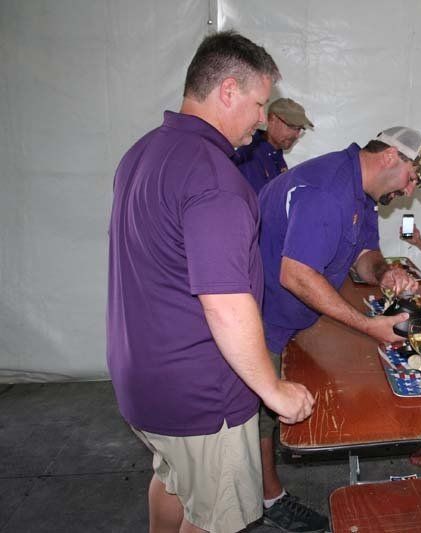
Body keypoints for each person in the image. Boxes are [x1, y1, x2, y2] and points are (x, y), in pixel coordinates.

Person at [107, 31, 315, 533]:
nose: (263, 120)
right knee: (218, 516)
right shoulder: (215, 178)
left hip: (142, 382)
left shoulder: (141, 153)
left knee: (174, 479)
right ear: (227, 90)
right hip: (202, 395)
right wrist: (274, 390)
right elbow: (224, 302)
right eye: (259, 104)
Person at [256, 126, 421, 528]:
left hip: (290, 318)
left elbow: (364, 255)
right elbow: (297, 275)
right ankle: (268, 499)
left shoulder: (363, 194)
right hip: (260, 317)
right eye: (412, 179)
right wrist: (368, 326)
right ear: (391, 157)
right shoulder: (328, 190)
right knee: (260, 416)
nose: (409, 191)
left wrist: (384, 273)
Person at [236, 97, 313, 193]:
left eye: (299, 129)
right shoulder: (249, 157)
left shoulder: (276, 155)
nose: (296, 135)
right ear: (272, 119)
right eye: (292, 126)